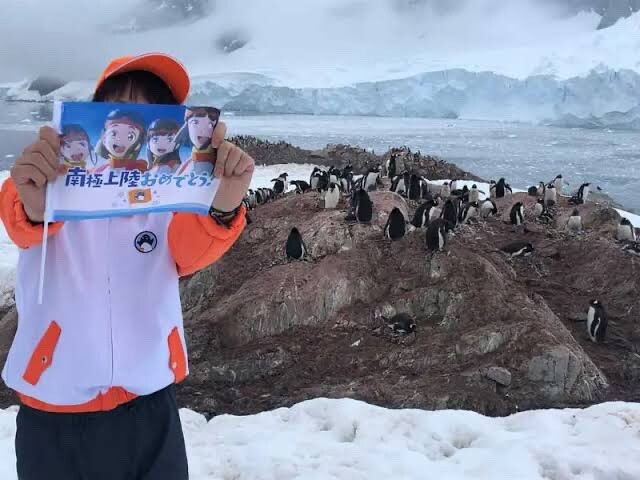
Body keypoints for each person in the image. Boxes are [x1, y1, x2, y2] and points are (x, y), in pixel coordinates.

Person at [0, 53, 254, 480]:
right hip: (54, 412)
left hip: (150, 404)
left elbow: (190, 252)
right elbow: (21, 219)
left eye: (155, 111)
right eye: (120, 105)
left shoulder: (174, 194)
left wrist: (224, 201)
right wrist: (36, 202)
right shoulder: (51, 177)